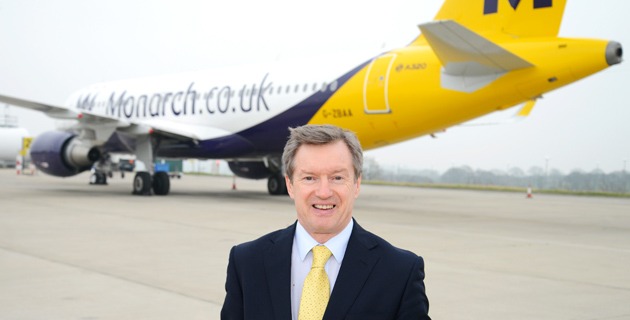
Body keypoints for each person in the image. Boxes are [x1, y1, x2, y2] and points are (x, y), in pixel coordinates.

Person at [221, 124, 430, 320]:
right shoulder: (247, 263)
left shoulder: (400, 271)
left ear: (356, 184)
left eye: (337, 178)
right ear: (290, 185)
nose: (323, 192)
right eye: (309, 178)